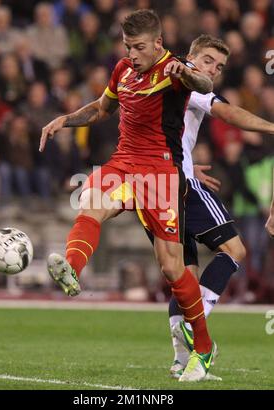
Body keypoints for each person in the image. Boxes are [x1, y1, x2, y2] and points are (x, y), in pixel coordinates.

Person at [39, 9, 215, 382]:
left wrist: (186, 72)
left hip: (161, 174)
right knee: (91, 199)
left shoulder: (175, 69)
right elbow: (103, 109)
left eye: (137, 47)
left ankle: (203, 346)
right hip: (124, 163)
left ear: (157, 43)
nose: (132, 54)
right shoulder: (122, 70)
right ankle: (72, 268)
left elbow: (203, 84)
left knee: (172, 268)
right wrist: (64, 120)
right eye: (126, 46)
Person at [153, 34, 274, 378]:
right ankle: (196, 322)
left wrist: (185, 159)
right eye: (207, 60)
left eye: (219, 66)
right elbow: (228, 112)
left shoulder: (161, 76)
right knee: (235, 250)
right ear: (191, 55)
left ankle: (181, 362)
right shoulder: (189, 78)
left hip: (157, 187)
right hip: (182, 184)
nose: (212, 70)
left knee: (183, 275)